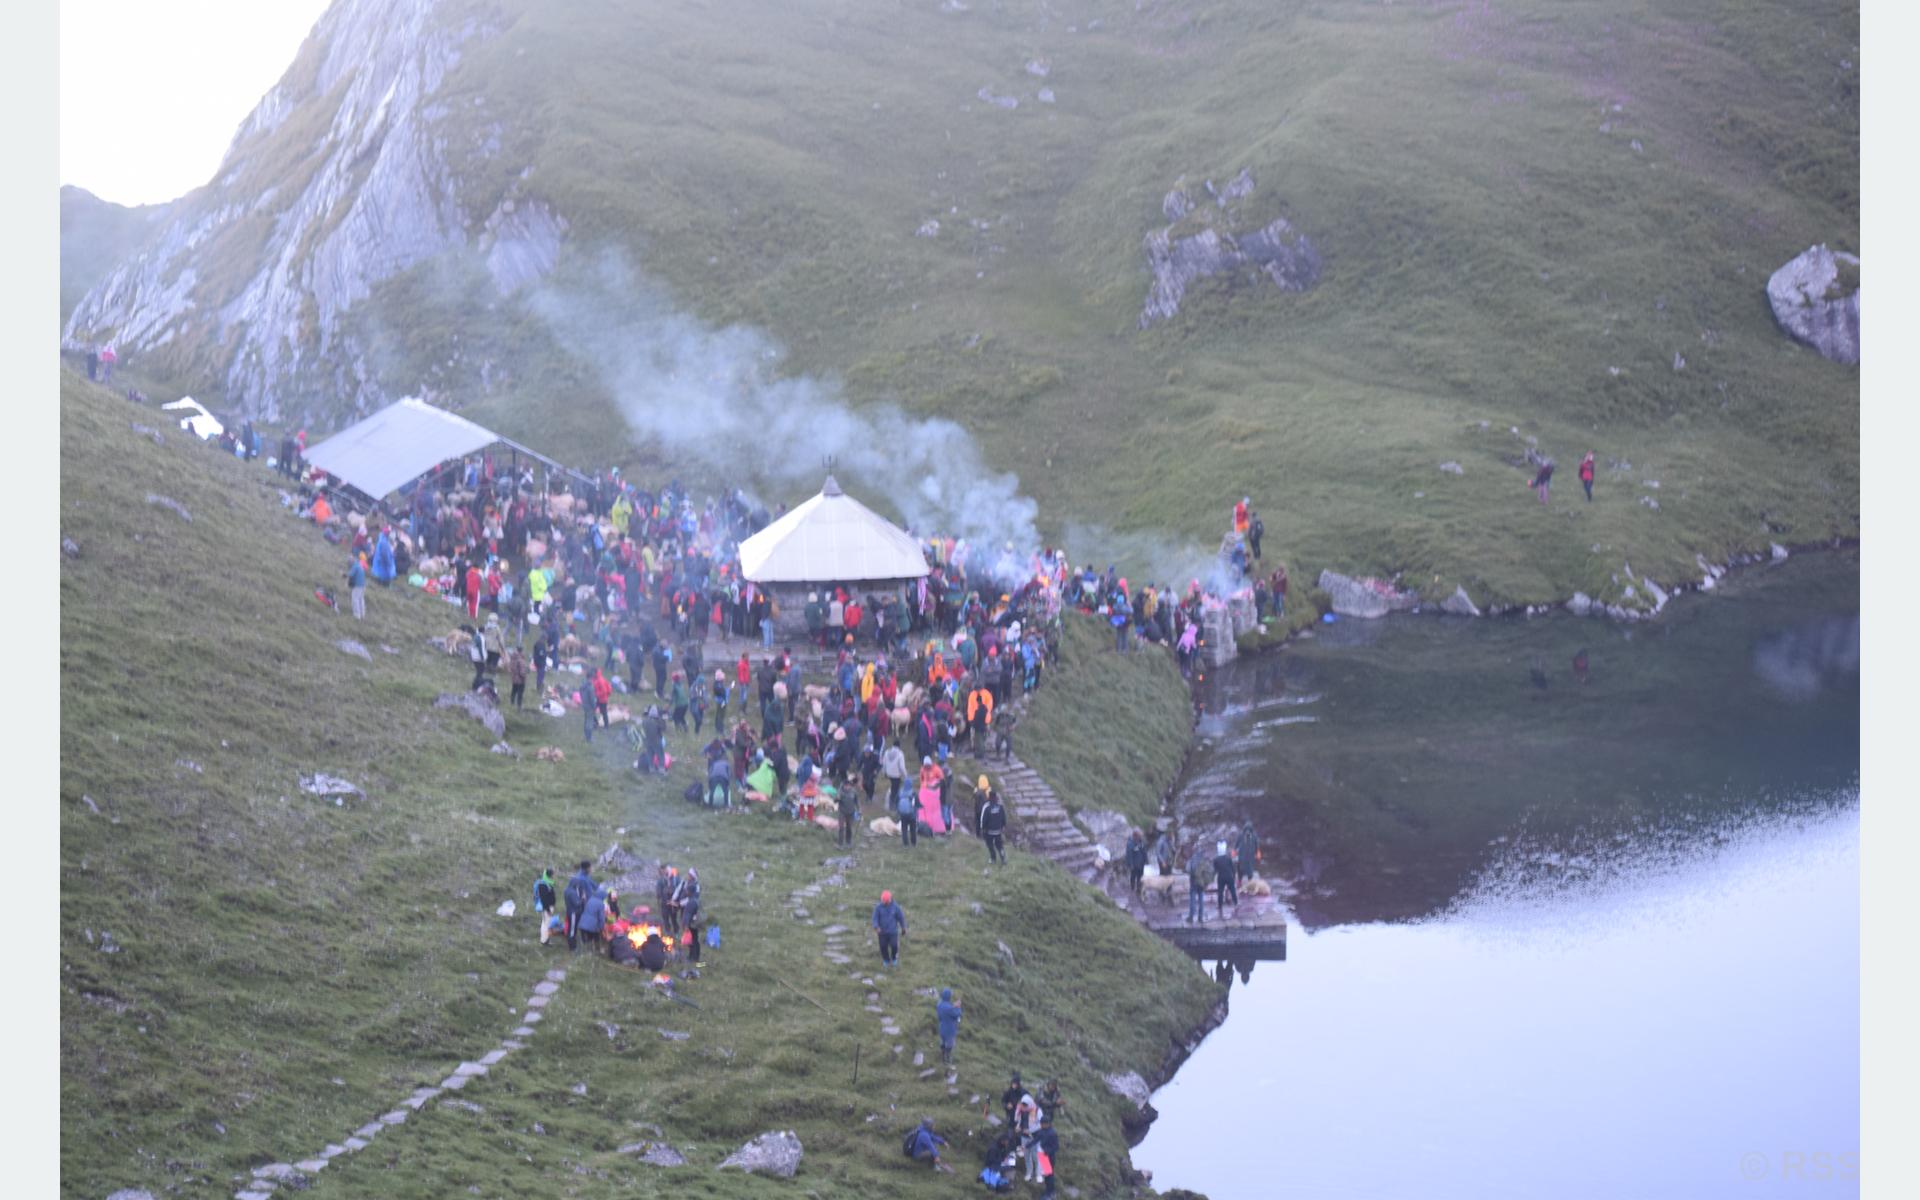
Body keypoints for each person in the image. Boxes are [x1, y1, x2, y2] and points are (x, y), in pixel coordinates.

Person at [563, 860, 595, 952]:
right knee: (572, 929)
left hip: (573, 911)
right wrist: (583, 899)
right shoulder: (572, 892)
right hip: (573, 912)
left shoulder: (569, 890)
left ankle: (577, 943)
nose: (578, 885)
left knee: (575, 927)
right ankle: (572, 947)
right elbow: (577, 903)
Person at [872, 889, 907, 967]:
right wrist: (876, 927)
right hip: (882, 932)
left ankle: (894, 958)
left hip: (893, 932)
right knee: (883, 946)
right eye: (883, 901)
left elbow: (901, 918)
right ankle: (886, 960)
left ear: (889, 900)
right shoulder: (878, 907)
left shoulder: (896, 907)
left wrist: (903, 927)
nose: (884, 902)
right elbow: (874, 918)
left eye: (885, 901)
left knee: (894, 946)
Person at [1030, 1113, 1060, 1198]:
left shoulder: (1052, 1133)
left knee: (1049, 1175)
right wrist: (1027, 1146)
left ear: (1048, 1123)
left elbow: (1056, 1147)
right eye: (1041, 1123)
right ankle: (1049, 1191)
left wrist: (1046, 1151)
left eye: (1043, 1124)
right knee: (1046, 1175)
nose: (1041, 1125)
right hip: (1043, 1156)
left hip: (1049, 1157)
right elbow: (1036, 1140)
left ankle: (1050, 1193)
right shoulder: (1042, 1131)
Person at [978, 780, 1007, 865]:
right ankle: (1003, 858)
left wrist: (982, 828)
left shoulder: (986, 807)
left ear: (989, 797)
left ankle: (993, 859)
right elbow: (1004, 817)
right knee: (999, 845)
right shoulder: (1000, 806)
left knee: (990, 845)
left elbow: (983, 819)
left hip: (989, 831)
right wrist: (1003, 826)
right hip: (998, 830)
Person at [936, 987, 963, 1065]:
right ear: (948, 996)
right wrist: (958, 1007)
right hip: (950, 1029)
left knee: (943, 1042)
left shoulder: (939, 1004)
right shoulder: (949, 1008)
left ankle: (942, 1056)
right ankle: (947, 1058)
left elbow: (947, 1009)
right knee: (950, 1044)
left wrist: (953, 1005)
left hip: (942, 1027)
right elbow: (957, 1014)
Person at [1212, 839, 1239, 916]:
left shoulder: (1216, 859)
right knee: (1232, 890)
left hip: (1221, 877)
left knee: (1220, 892)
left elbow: (1215, 870)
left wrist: (1212, 877)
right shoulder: (1228, 858)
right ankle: (1236, 903)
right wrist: (1234, 876)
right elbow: (1233, 868)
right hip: (1229, 876)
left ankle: (1220, 905)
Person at [1186, 850, 1213, 925]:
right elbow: (1210, 871)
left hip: (1193, 882)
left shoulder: (1192, 860)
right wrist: (1206, 883)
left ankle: (1191, 917)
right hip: (1202, 884)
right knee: (1201, 901)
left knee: (1192, 900)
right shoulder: (1205, 861)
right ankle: (1200, 917)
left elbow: (1187, 869)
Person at [532, 867, 558, 945]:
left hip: (548, 907)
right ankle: (544, 941)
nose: (554, 876)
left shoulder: (547, 883)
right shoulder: (543, 885)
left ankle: (545, 939)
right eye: (553, 874)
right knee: (545, 924)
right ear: (550, 875)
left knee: (546, 923)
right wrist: (548, 910)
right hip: (546, 908)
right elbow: (544, 899)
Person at [1124, 830, 1148, 897]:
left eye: (1140, 836)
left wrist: (1146, 860)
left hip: (1141, 863)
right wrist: (1131, 865)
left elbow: (1144, 851)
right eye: (1139, 836)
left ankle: (1138, 888)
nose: (1140, 837)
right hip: (1134, 864)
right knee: (1133, 876)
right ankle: (1132, 887)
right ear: (1135, 836)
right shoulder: (1130, 844)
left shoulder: (1141, 842)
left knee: (1140, 877)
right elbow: (1129, 855)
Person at [346, 553, 367, 620]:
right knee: (361, 599)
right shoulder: (359, 565)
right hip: (363, 585)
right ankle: (362, 614)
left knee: (355, 599)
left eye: (349, 562)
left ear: (351, 561)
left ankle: (357, 615)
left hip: (358, 585)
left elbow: (350, 574)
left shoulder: (355, 566)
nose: (348, 564)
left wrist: (344, 575)